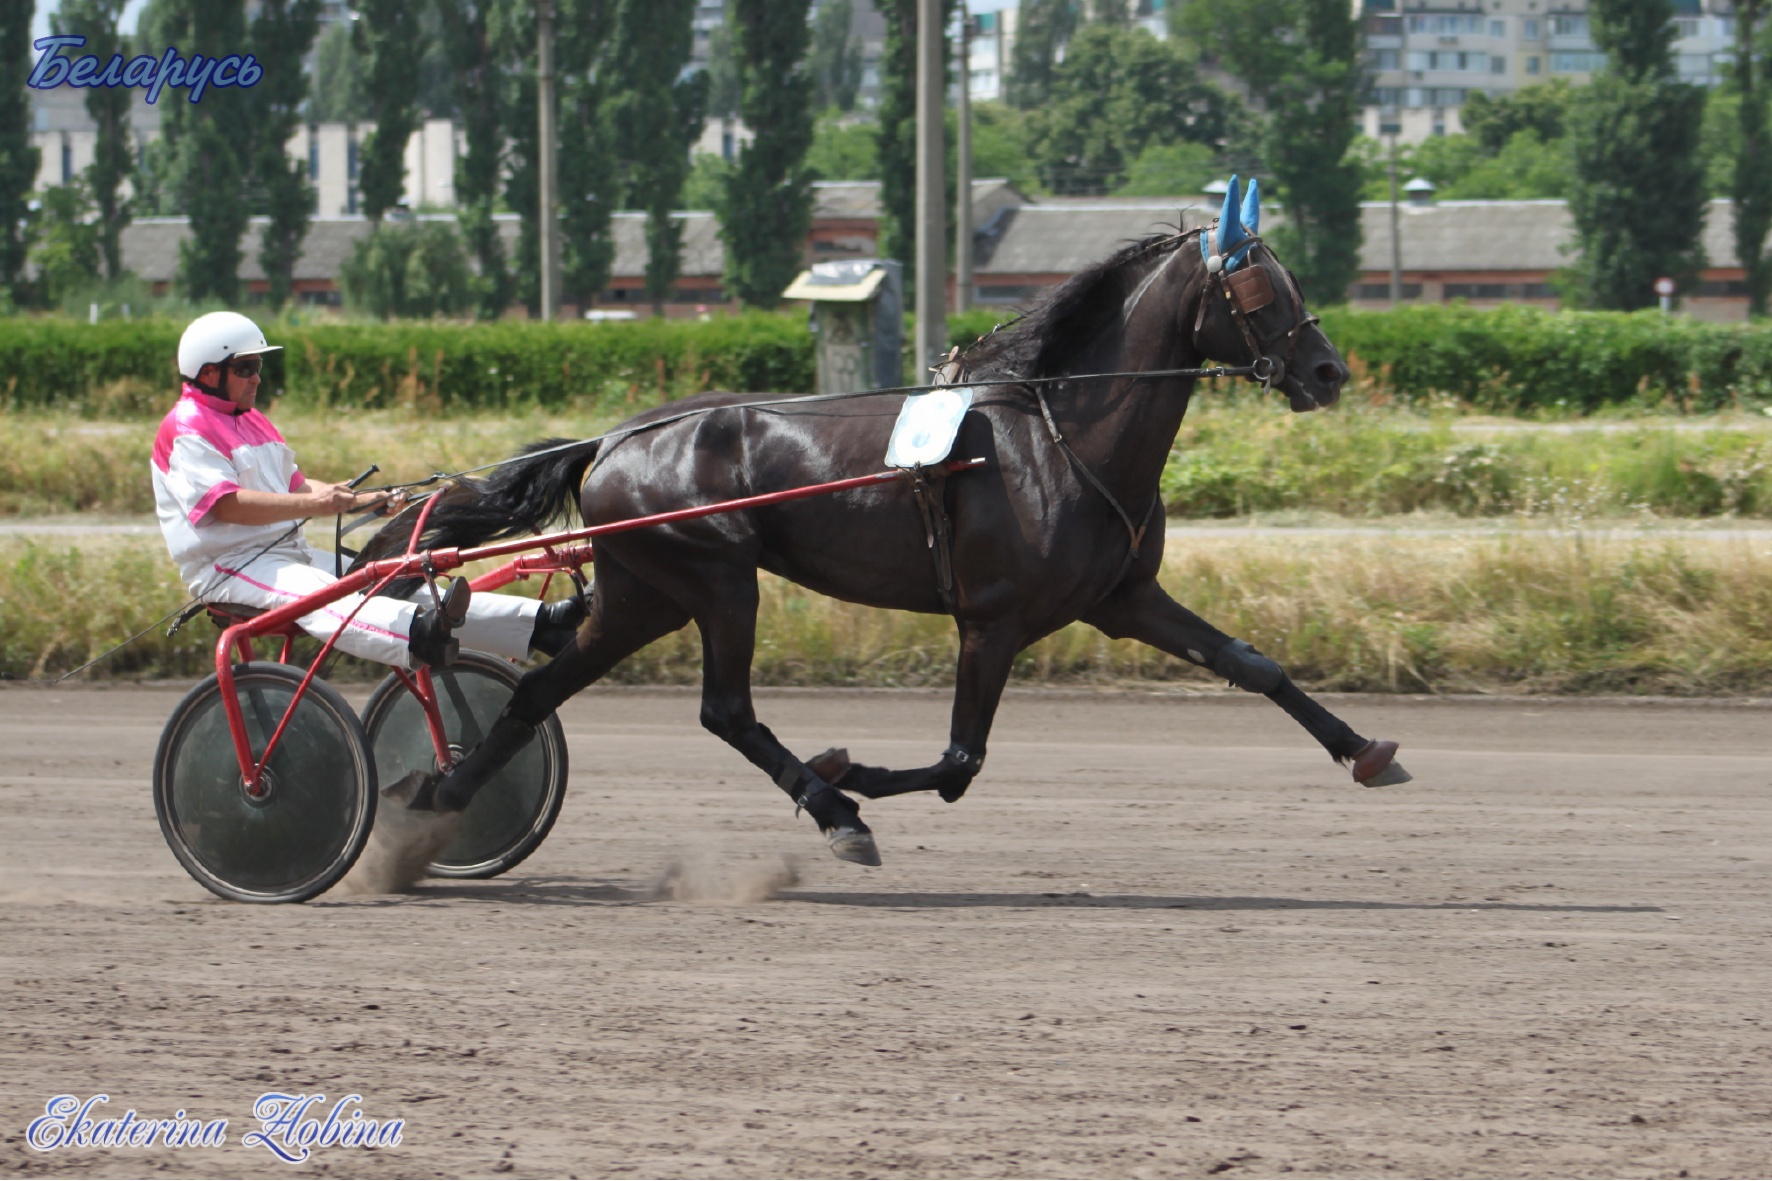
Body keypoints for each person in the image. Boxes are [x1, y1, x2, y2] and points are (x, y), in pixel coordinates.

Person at [152, 311, 581, 669]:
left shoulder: (250, 418)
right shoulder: (188, 427)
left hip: (285, 555)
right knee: (319, 596)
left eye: (259, 367)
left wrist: (361, 499)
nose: (256, 378)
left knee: (393, 575)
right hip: (228, 565)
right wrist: (316, 504)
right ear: (209, 373)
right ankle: (417, 633)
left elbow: (299, 486)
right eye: (245, 368)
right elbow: (227, 506)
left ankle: (542, 624)